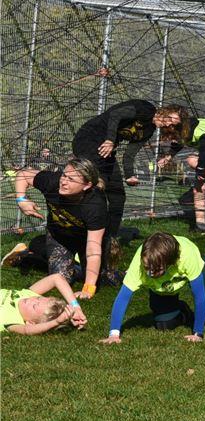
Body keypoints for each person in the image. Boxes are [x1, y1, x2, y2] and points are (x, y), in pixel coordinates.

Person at [100, 231, 205, 343]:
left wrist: (197, 333)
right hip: (164, 286)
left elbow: (199, 296)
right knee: (164, 325)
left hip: (193, 266)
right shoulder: (138, 264)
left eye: (156, 269)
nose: (150, 273)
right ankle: (183, 310)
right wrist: (114, 334)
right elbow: (123, 297)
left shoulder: (187, 256)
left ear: (170, 263)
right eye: (147, 268)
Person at [12, 158, 112, 299]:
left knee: (103, 279)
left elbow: (93, 250)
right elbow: (23, 174)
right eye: (64, 175)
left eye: (71, 179)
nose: (63, 181)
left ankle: (99, 269)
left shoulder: (95, 205)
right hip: (59, 236)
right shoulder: (52, 182)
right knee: (62, 278)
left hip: (87, 240)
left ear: (87, 185)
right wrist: (21, 200)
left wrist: (88, 289)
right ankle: (28, 256)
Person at [71, 99, 159, 240]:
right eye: (169, 119)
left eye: (173, 125)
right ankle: (83, 234)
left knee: (118, 196)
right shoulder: (146, 109)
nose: (169, 124)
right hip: (89, 140)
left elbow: (130, 153)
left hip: (106, 151)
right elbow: (116, 115)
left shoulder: (149, 131)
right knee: (98, 188)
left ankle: (110, 239)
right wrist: (111, 140)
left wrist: (129, 175)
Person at [153, 105, 205, 234]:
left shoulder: (195, 128)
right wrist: (167, 157)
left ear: (181, 116)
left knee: (192, 160)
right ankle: (201, 227)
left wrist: (201, 169)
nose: (167, 122)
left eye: (170, 117)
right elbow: (178, 144)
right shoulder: (180, 129)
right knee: (198, 190)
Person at [1, 273, 88, 335]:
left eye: (34, 306)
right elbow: (56, 278)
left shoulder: (13, 320)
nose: (32, 300)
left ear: (30, 322)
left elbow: (26, 330)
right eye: (38, 298)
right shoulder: (27, 294)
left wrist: (56, 322)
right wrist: (76, 307)